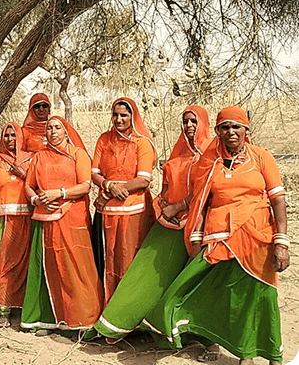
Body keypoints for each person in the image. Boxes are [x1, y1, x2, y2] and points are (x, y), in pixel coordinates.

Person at [143, 106, 289, 365]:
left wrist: (282, 242)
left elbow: (278, 200)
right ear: (218, 131)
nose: (231, 132)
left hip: (258, 237)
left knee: (262, 295)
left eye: (236, 127)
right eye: (225, 127)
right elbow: (200, 202)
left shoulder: (261, 157)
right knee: (229, 296)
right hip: (219, 237)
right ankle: (245, 354)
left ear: (247, 130)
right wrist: (196, 240)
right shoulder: (209, 164)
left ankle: (273, 356)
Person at [94, 106, 213, 346]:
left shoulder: (211, 153)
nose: (189, 126)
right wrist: (164, 207)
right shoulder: (179, 153)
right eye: (185, 121)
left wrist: (178, 207)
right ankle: (120, 322)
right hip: (168, 222)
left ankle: (199, 336)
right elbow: (166, 187)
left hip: (199, 222)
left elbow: (206, 192)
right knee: (147, 273)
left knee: (193, 276)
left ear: (203, 123)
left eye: (193, 121)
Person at [21, 116, 104, 335]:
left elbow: (85, 185)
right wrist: (36, 200)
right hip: (44, 218)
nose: (53, 131)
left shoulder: (78, 155)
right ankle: (50, 319)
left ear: (66, 131)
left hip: (72, 217)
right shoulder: (39, 157)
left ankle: (83, 319)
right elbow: (28, 186)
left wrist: (59, 193)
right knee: (50, 266)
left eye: (57, 127)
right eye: (49, 128)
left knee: (77, 267)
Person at [91, 97, 157, 302]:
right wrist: (109, 186)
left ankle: (129, 315)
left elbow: (143, 180)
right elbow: (95, 173)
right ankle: (108, 311)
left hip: (134, 212)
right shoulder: (104, 139)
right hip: (108, 214)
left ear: (132, 117)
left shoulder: (142, 143)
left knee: (129, 260)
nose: (118, 119)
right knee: (108, 260)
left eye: (124, 115)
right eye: (115, 115)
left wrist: (112, 191)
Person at [0, 122, 33, 327]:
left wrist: (25, 174)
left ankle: (20, 307)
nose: (10, 139)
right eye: (6, 136)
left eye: (14, 135)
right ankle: (3, 308)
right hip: (2, 218)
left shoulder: (31, 160)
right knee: (3, 263)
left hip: (26, 218)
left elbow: (38, 184)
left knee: (23, 264)